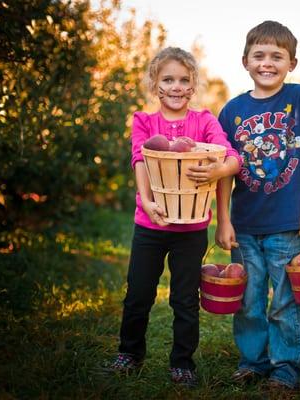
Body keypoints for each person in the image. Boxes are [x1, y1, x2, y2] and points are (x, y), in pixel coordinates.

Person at [105, 47, 241, 387]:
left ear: (192, 85)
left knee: (184, 298)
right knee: (138, 293)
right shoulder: (144, 121)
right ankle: (129, 352)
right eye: (168, 79)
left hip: (192, 225)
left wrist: (218, 170)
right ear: (155, 83)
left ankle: (182, 362)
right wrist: (147, 201)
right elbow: (140, 158)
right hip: (151, 222)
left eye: (183, 80)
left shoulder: (204, 121)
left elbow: (228, 153)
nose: (176, 87)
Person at [215, 20, 300, 390]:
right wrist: (223, 221)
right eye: (259, 55)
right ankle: (253, 360)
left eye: (277, 56)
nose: (268, 62)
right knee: (249, 299)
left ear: (292, 63)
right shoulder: (232, 110)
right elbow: (224, 171)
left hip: (287, 223)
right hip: (246, 223)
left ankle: (287, 367)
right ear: (245, 61)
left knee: (285, 300)